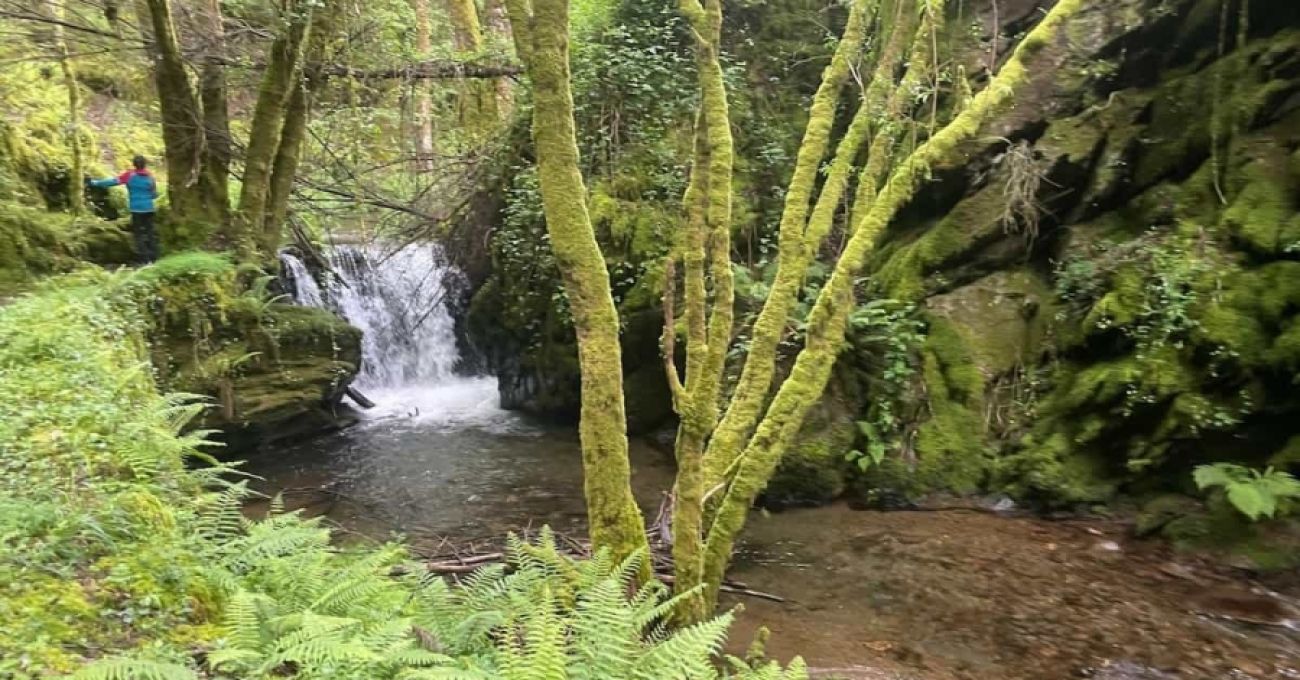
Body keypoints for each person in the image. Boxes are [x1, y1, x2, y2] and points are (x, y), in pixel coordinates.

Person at [88, 155, 159, 264]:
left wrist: (95, 183)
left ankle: (145, 260)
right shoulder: (151, 177)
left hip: (136, 209)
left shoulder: (130, 175)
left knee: (139, 234)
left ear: (134, 164)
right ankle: (154, 257)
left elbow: (113, 181)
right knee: (150, 232)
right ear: (145, 164)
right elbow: (154, 195)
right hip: (149, 209)